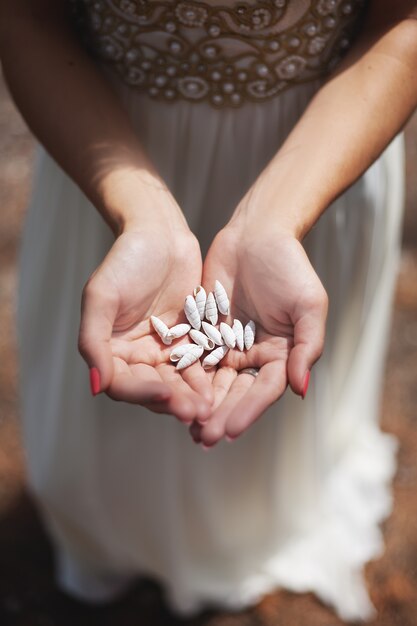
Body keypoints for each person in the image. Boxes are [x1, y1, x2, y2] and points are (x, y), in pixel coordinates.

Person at [1, 0, 416, 621]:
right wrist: (138, 210)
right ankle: (118, 530)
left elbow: (402, 21)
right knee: (127, 433)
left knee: (264, 449)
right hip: (109, 142)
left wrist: (274, 218)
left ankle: (249, 526)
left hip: (318, 150)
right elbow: (26, 17)